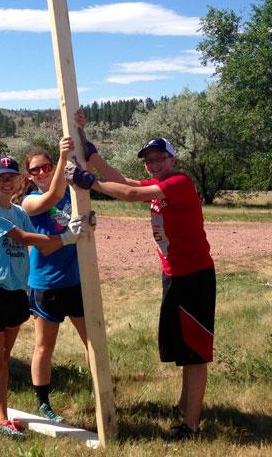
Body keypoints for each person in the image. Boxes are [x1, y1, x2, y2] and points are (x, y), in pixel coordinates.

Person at [67, 137, 215, 441]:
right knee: (185, 349)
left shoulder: (180, 182)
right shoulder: (158, 187)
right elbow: (124, 181)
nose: (154, 164)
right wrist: (93, 157)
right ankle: (184, 408)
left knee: (197, 352)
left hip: (194, 276)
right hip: (175, 275)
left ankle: (192, 426)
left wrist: (89, 181)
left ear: (173, 160)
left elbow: (131, 193)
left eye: (159, 158)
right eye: (149, 160)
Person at [0, 156, 87, 450]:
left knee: (3, 363)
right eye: (1, 177)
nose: (7, 181)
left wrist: (74, 230)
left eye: (11, 176)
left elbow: (44, 239)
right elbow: (23, 238)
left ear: (17, 180)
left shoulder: (20, 211)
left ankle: (1, 418)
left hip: (16, 295)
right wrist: (66, 239)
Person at [12, 110, 124, 423]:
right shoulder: (31, 202)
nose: (42, 171)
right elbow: (53, 195)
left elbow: (83, 168)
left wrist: (79, 132)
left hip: (76, 280)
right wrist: (62, 159)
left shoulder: (71, 193)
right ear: (30, 175)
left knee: (92, 339)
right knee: (44, 346)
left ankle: (102, 392)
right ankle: (43, 403)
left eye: (46, 166)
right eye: (36, 169)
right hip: (46, 284)